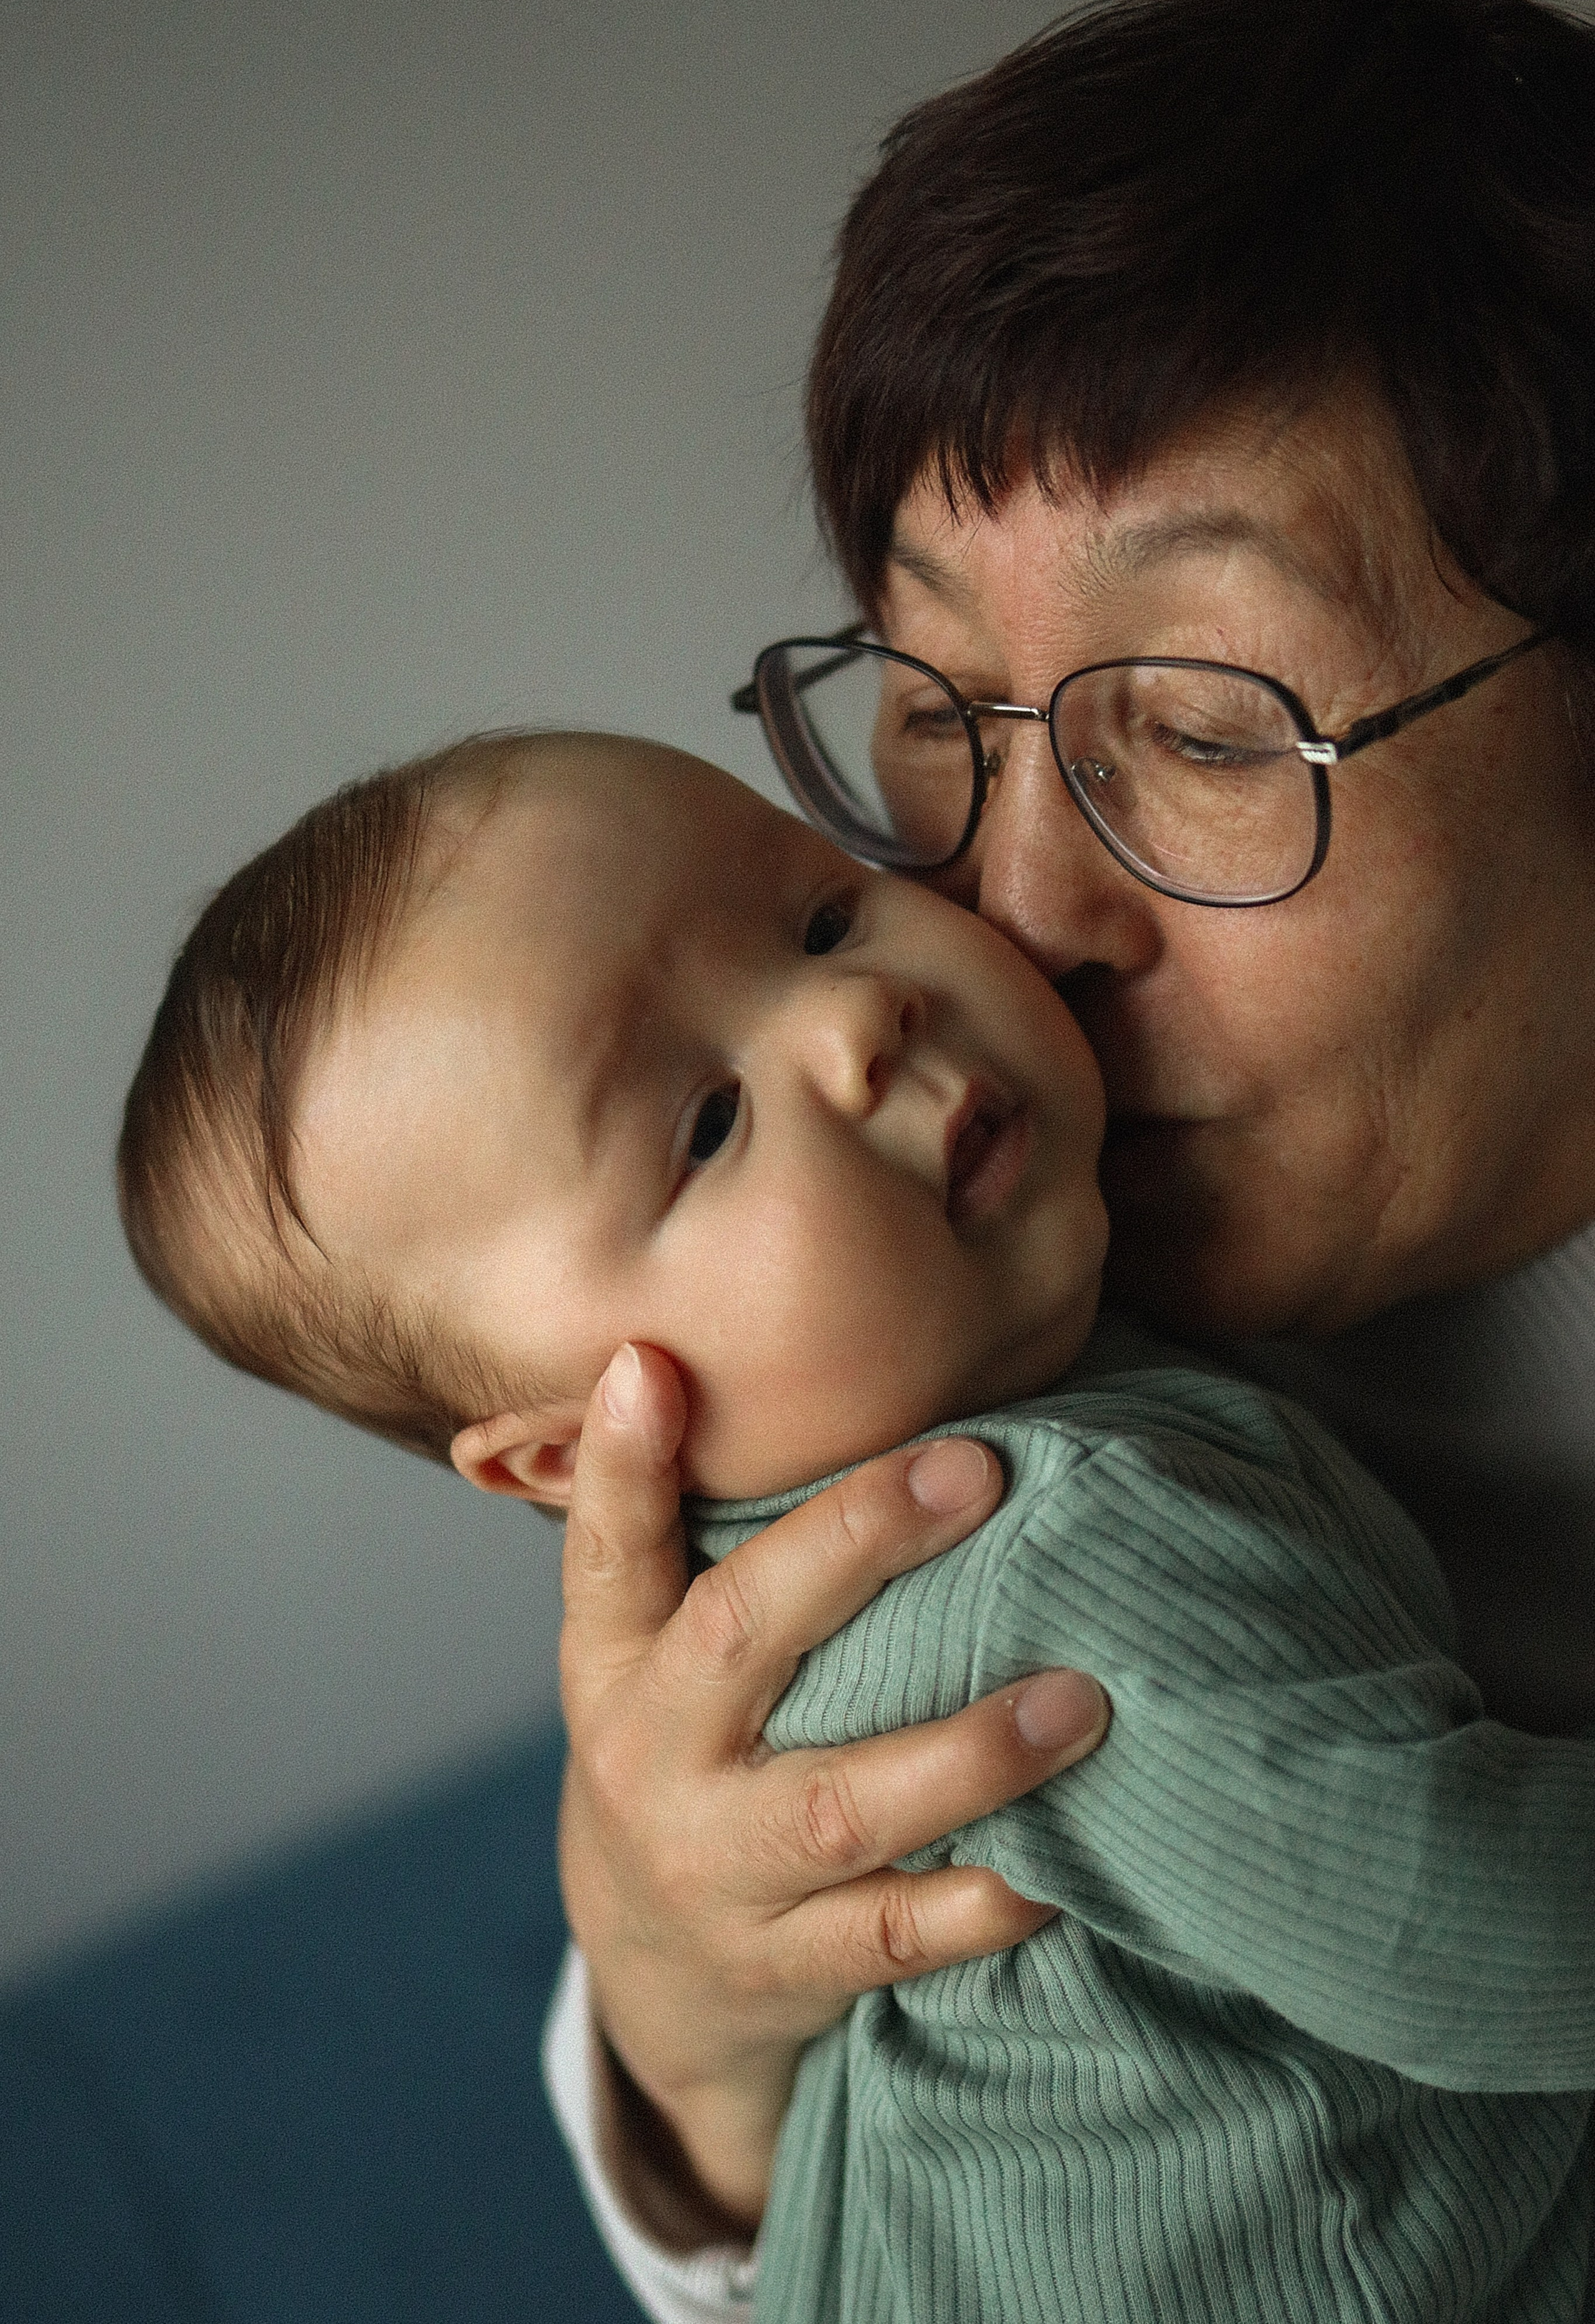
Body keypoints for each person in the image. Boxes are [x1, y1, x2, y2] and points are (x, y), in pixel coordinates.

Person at [526, 0, 1595, 2323]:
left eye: (1208, 731)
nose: (1013, 911)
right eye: (934, 712)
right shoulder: (937, 1317)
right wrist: (684, 2027)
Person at [117, 725, 1594, 2320]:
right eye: (700, 1128)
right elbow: (1445, 1923)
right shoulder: (1045, 1552)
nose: (851, 1017)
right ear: (574, 1450)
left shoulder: (1048, 1374)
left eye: (821, 916)